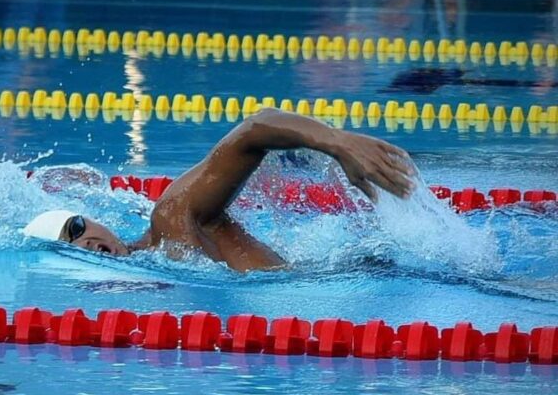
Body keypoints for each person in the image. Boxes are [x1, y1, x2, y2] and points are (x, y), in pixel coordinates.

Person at [24, 108, 415, 272]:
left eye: (76, 227)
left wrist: (337, 142)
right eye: (69, 247)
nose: (84, 243)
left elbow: (256, 129)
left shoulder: (173, 218)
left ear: (94, 220)